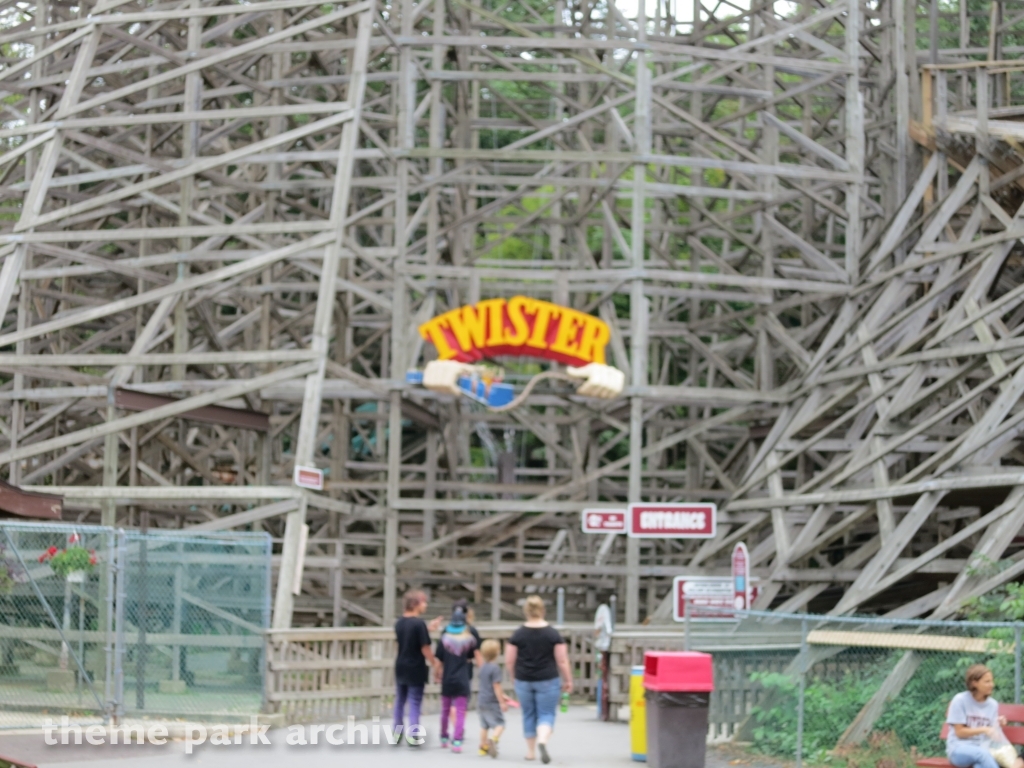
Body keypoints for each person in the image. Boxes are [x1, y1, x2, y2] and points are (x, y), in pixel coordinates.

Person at [506, 595, 573, 764]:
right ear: (543, 610)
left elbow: (509, 660)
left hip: (523, 679)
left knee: (528, 714)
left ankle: (530, 752)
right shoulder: (553, 634)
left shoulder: (518, 634)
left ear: (526, 612)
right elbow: (562, 660)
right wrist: (568, 680)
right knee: (546, 713)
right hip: (547, 679)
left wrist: (513, 676)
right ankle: (543, 740)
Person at [946, 664, 1024, 768]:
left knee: (980, 766)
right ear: (974, 683)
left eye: (991, 681)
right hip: (959, 749)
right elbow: (959, 732)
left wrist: (997, 723)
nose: (992, 685)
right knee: (983, 754)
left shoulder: (992, 705)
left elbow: (991, 733)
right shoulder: (960, 700)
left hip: (985, 748)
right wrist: (984, 729)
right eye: (987, 681)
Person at [393, 590, 442, 746]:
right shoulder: (419, 624)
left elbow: (409, 636)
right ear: (415, 604)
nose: (425, 605)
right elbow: (424, 647)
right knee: (415, 700)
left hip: (401, 664)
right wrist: (434, 662)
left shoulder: (399, 622)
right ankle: (413, 735)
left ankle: (396, 732)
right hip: (415, 666)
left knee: (400, 699)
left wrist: (428, 629)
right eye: (423, 602)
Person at [435, 606, 480, 753]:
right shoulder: (469, 640)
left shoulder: (444, 640)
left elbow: (438, 661)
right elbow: (475, 656)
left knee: (445, 710)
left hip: (447, 679)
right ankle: (457, 741)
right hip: (463, 678)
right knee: (461, 711)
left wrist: (437, 673)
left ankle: (443, 736)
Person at [477, 639, 509, 758]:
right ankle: (493, 739)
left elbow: (486, 685)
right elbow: (496, 686)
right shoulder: (495, 668)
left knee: (484, 725)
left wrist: (503, 695)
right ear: (497, 653)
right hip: (492, 701)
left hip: (481, 700)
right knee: (500, 724)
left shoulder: (482, 667)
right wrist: (502, 702)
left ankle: (482, 747)